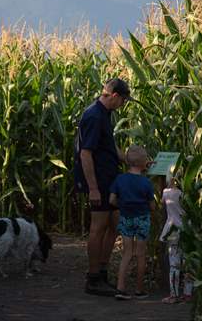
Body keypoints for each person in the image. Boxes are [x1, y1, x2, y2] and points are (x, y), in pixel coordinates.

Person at [74, 78, 132, 296]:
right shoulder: (94, 116)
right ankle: (93, 278)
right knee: (98, 227)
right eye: (124, 101)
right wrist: (94, 188)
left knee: (113, 224)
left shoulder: (104, 114)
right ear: (115, 96)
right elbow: (85, 153)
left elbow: (108, 145)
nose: (123, 105)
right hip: (99, 180)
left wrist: (128, 160)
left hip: (109, 178)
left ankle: (102, 271)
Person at [109, 145, 155, 300]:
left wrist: (121, 206)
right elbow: (152, 205)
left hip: (126, 217)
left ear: (127, 162)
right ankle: (139, 290)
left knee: (127, 253)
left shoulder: (120, 179)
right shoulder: (146, 183)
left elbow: (112, 200)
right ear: (144, 164)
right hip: (142, 219)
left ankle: (120, 288)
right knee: (141, 254)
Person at [159, 165, 193, 304]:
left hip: (171, 230)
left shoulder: (166, 192)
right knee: (188, 262)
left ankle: (174, 295)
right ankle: (188, 293)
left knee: (174, 263)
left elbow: (162, 204)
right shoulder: (184, 194)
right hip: (186, 230)